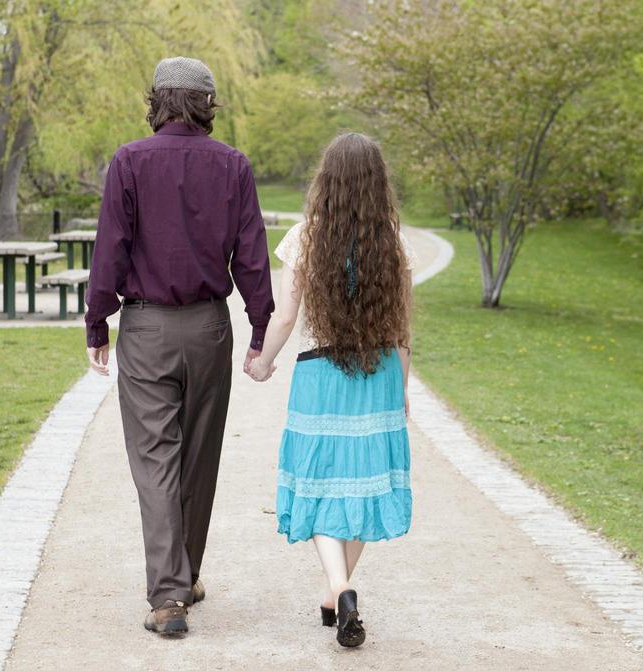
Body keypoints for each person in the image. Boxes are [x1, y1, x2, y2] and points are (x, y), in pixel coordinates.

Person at [84, 56, 274, 636]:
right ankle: (183, 577)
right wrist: (260, 327)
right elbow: (251, 254)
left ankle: (169, 597)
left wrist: (98, 321)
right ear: (207, 104)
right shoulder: (233, 165)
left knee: (156, 462)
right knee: (197, 458)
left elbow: (110, 248)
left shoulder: (129, 161)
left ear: (158, 100)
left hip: (146, 331)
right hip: (210, 328)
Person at [249, 132, 416, 648]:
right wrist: (402, 389)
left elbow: (286, 315)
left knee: (319, 485)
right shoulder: (393, 241)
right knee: (369, 483)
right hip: (378, 372)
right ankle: (334, 594)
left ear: (326, 181)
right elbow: (403, 330)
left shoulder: (304, 238)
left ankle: (339, 586)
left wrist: (262, 360)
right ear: (378, 184)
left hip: (320, 377)